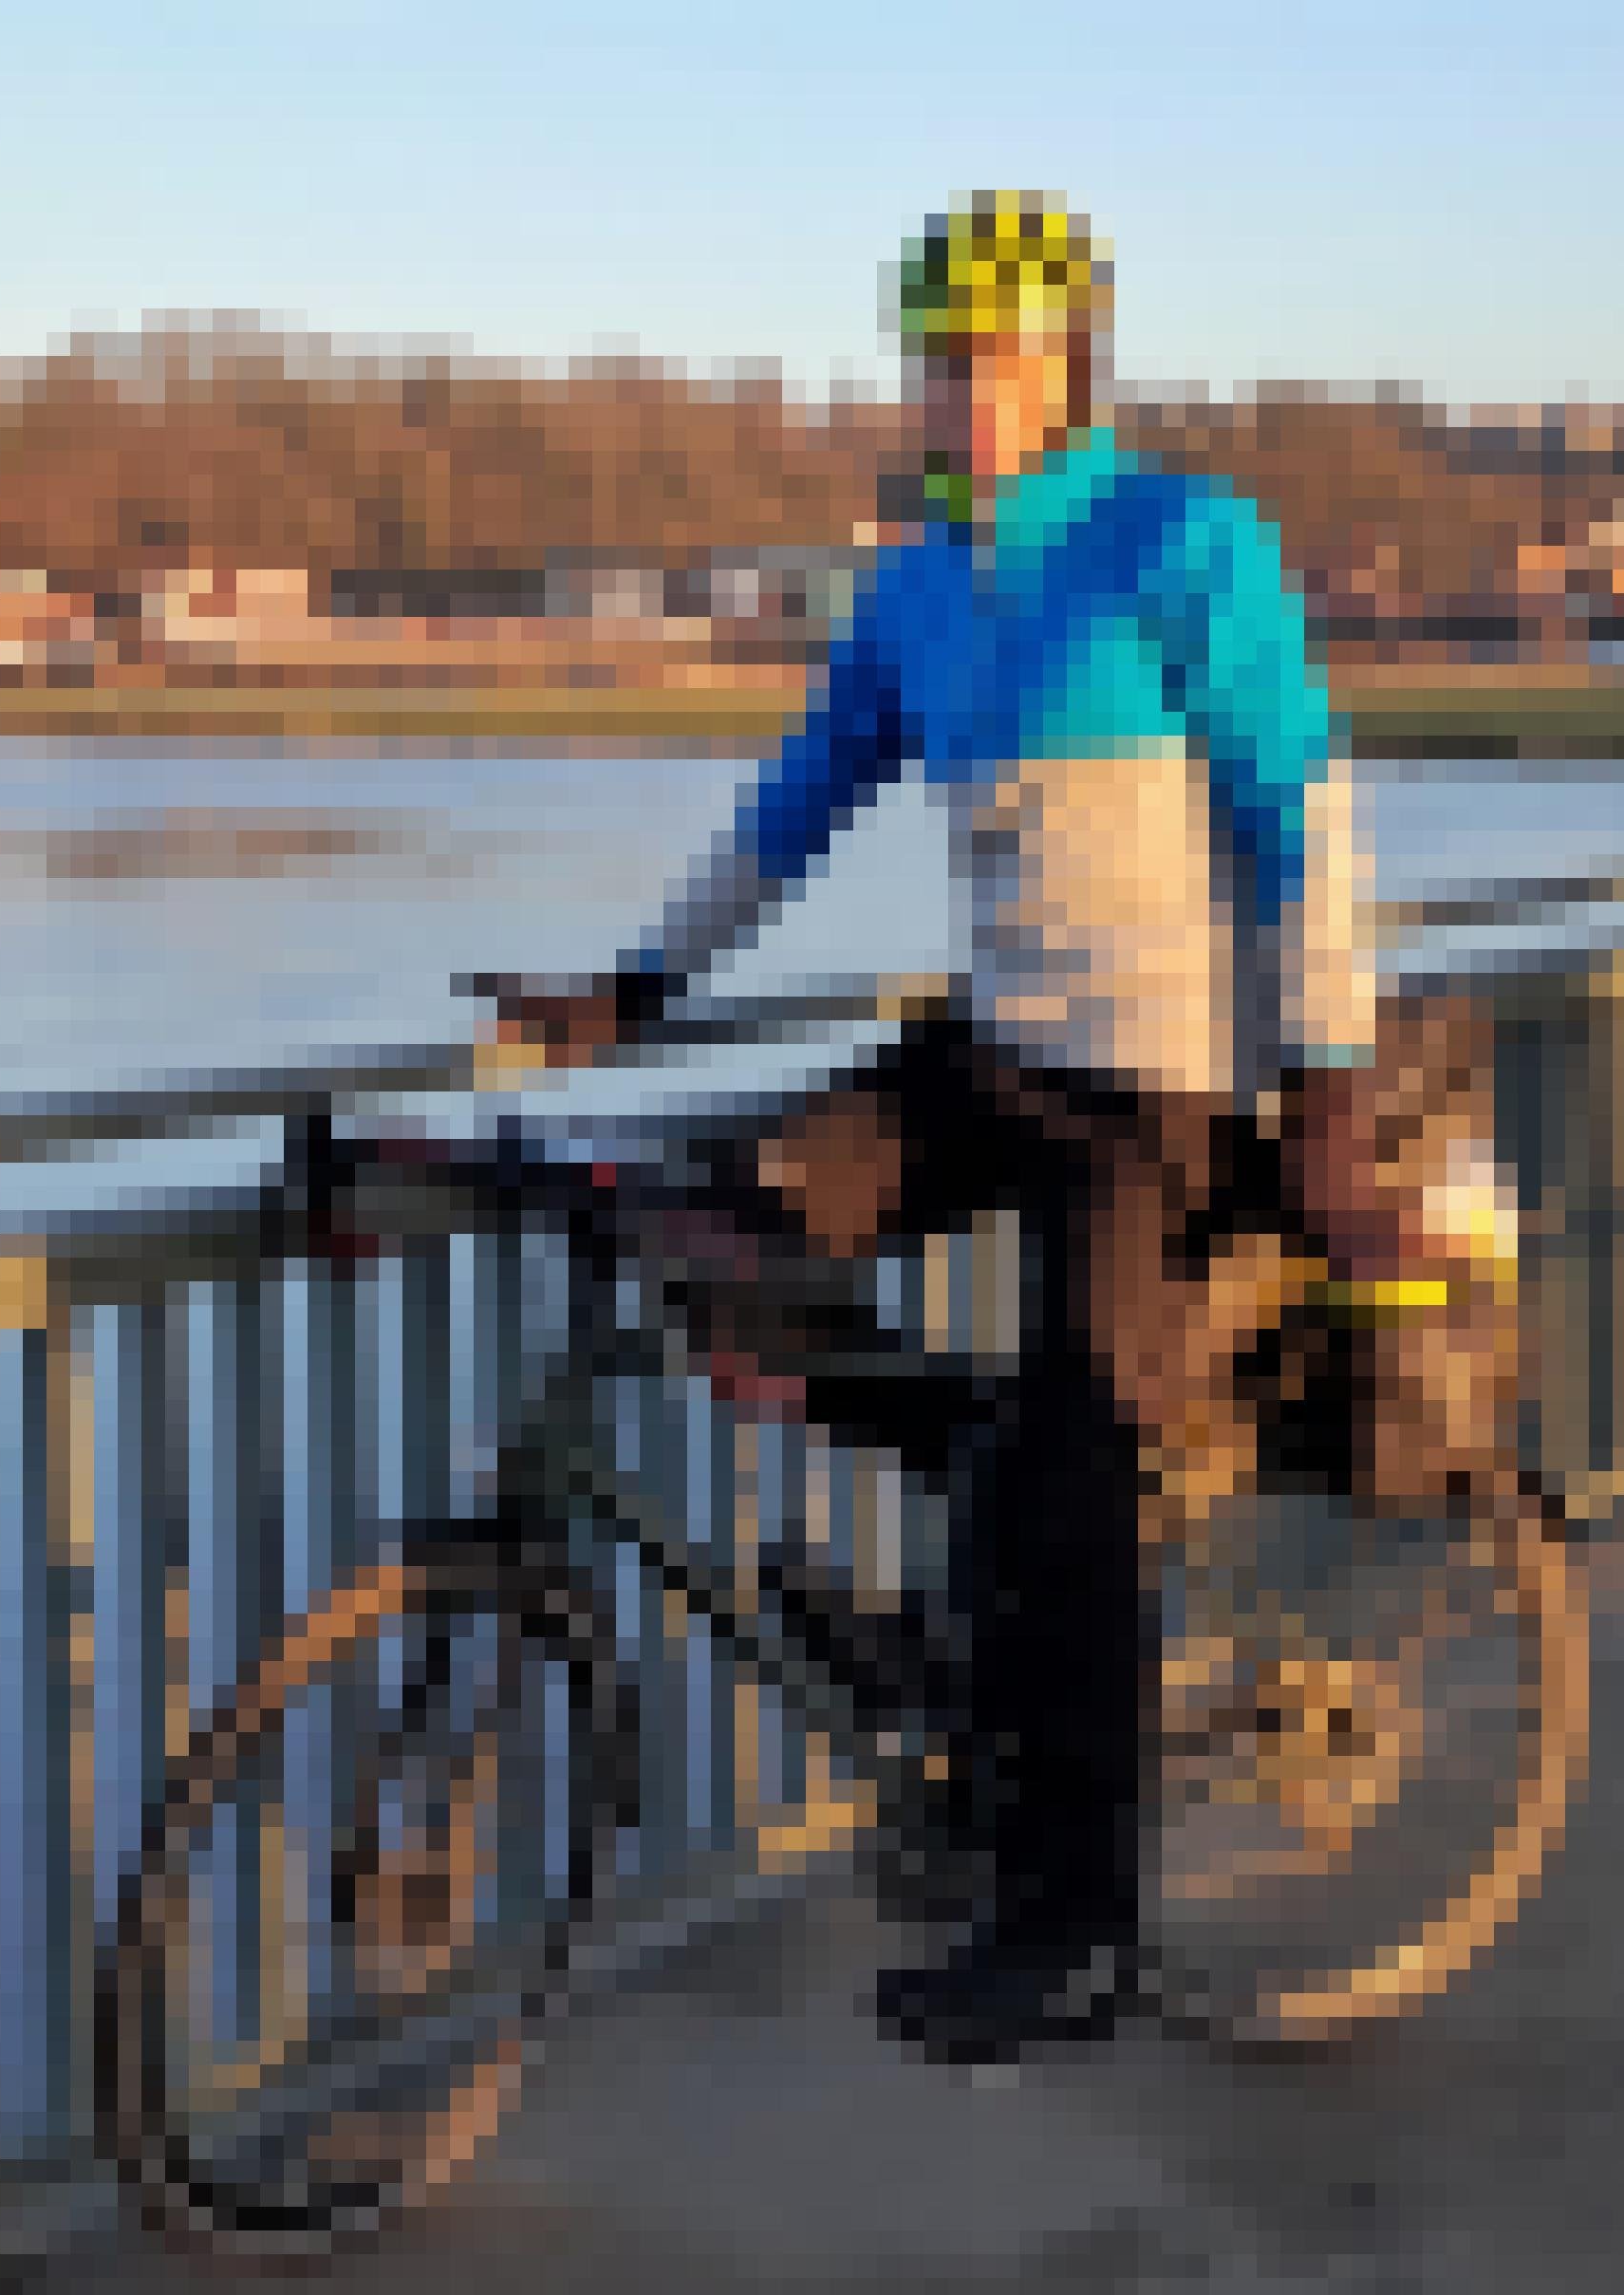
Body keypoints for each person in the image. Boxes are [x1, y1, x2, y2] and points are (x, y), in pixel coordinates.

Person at [485, 192, 1501, 2062]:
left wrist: (1334, 1130)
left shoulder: (1183, 543)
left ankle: (1075, 1918)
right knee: (724, 1223)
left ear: (1067, 362)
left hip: (1159, 1089)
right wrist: (628, 992)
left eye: (996, 355)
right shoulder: (914, 590)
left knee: (1075, 1479)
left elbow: (1305, 830)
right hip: (993, 1056)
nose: (961, 390)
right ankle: (972, 1544)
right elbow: (793, 806)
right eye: (938, 356)